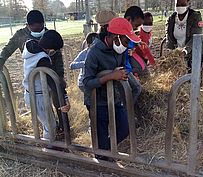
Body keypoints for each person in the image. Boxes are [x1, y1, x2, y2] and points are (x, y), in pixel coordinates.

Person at [0, 10, 69, 132]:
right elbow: (7, 49)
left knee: (58, 100)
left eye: (40, 28)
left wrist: (60, 76)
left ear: (44, 24)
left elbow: (58, 57)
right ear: (28, 25)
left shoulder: (49, 35)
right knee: (44, 110)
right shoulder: (21, 35)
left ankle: (65, 128)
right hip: (36, 78)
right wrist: (1, 60)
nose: (38, 32)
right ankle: (49, 132)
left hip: (50, 74)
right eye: (35, 29)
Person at [83, 18, 141, 160]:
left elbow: (119, 69)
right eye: (126, 42)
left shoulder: (119, 49)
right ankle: (102, 158)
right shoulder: (94, 52)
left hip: (114, 98)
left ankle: (105, 151)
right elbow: (87, 82)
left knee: (124, 128)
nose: (128, 46)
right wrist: (110, 76)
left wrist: (122, 75)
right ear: (116, 38)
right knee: (101, 138)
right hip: (97, 102)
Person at [22, 30, 70, 140]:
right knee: (50, 125)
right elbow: (53, 81)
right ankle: (49, 147)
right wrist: (64, 97)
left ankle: (50, 142)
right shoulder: (42, 58)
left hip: (32, 92)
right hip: (38, 96)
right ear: (51, 49)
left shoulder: (30, 47)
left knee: (49, 121)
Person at [165, 0, 203, 72]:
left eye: (183, 4)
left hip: (193, 52)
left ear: (188, 3)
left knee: (192, 76)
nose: (180, 6)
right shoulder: (171, 19)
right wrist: (171, 51)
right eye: (178, 4)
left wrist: (185, 51)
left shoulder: (195, 17)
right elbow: (168, 36)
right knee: (177, 75)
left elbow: (195, 37)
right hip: (178, 53)